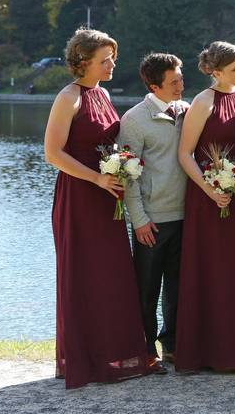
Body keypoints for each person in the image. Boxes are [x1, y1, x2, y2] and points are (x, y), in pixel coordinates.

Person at [44, 27, 154, 388]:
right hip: (79, 197)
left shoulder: (103, 93)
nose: (112, 64)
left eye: (113, 58)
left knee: (112, 276)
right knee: (84, 277)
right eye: (105, 59)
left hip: (108, 195)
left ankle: (116, 356)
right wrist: (96, 178)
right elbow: (52, 154)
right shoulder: (68, 97)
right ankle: (85, 360)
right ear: (83, 61)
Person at [174, 41, 235, 372]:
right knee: (211, 268)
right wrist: (211, 190)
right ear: (216, 72)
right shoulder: (203, 102)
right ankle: (208, 352)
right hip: (206, 198)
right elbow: (185, 154)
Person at [117, 53, 188, 367]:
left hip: (185, 217)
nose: (180, 85)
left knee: (177, 287)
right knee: (147, 290)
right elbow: (128, 174)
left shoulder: (186, 111)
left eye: (180, 78)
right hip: (152, 222)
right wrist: (140, 220)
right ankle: (146, 350)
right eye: (174, 82)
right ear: (154, 85)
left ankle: (171, 343)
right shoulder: (134, 119)